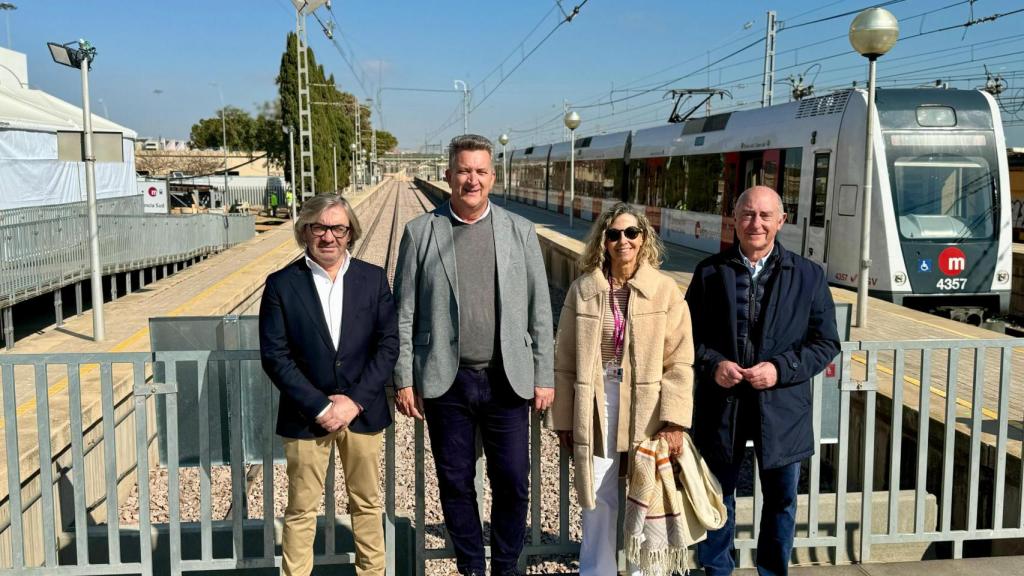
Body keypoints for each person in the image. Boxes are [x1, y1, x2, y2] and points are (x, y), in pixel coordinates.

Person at [393, 134, 554, 576]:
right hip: (447, 379)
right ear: (448, 175)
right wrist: (404, 377)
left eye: (481, 171)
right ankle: (470, 566)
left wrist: (544, 374)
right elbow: (403, 311)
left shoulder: (519, 231)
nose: (472, 179)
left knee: (514, 483)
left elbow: (541, 310)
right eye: (464, 170)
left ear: (493, 177)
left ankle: (504, 566)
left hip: (507, 378)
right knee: (455, 482)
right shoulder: (421, 232)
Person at [685, 186, 840, 576]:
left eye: (765, 216)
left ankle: (772, 571)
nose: (756, 223)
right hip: (722, 405)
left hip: (783, 408)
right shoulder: (709, 273)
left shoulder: (808, 276)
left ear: (781, 221)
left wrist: (780, 369)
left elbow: (826, 342)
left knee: (781, 500)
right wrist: (713, 364)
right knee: (718, 495)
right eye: (748, 215)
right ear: (734, 220)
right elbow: (686, 337)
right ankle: (717, 570)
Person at [549, 203, 695, 576]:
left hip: (647, 406)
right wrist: (565, 418)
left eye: (631, 233)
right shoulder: (584, 290)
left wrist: (675, 420)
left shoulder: (664, 291)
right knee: (598, 494)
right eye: (613, 234)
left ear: (644, 238)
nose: (623, 241)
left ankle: (644, 570)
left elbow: (680, 361)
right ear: (603, 240)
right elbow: (564, 360)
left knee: (644, 490)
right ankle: (596, 570)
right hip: (596, 402)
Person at [259, 194, 398, 576]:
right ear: (304, 231)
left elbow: (388, 346)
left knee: (368, 505)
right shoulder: (281, 285)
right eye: (319, 227)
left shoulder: (372, 279)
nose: (328, 236)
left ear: (350, 232)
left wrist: (353, 402)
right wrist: (321, 407)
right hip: (306, 417)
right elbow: (275, 355)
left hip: (362, 413)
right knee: (301, 510)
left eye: (338, 227)